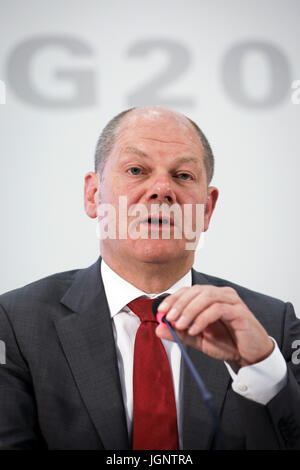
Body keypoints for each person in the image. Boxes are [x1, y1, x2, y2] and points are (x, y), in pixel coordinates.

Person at [0, 106, 299, 450]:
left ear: (207, 209)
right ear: (93, 195)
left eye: (183, 176)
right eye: (137, 170)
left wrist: (265, 370)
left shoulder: (273, 328)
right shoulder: (15, 324)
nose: (161, 189)